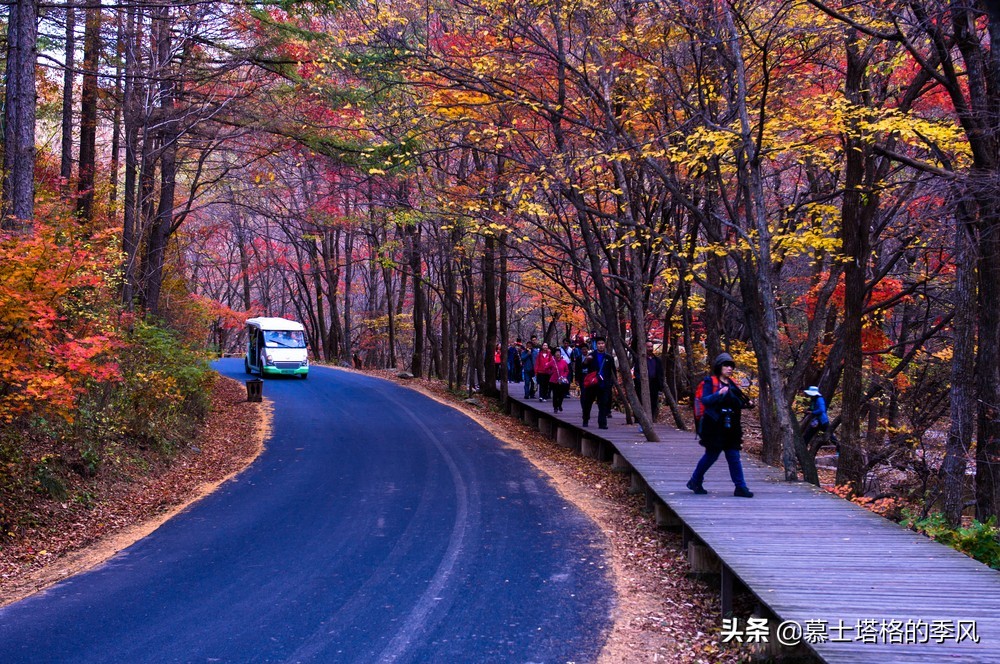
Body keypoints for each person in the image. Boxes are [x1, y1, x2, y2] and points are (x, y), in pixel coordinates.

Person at [686, 353, 755, 498]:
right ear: (719, 367)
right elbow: (705, 400)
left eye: (731, 366)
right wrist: (719, 393)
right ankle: (695, 480)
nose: (729, 368)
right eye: (726, 365)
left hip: (731, 426)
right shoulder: (709, 382)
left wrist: (747, 404)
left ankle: (740, 487)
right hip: (714, 425)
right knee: (711, 455)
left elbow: (736, 403)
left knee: (733, 455)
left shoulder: (733, 385)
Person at [581, 336, 616, 429]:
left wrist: (611, 383)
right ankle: (585, 419)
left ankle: (602, 423)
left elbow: (613, 371)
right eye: (599, 344)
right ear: (596, 345)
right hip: (592, 384)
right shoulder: (591, 356)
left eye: (602, 343)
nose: (601, 345)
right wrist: (586, 360)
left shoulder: (609, 357)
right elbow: (583, 366)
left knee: (603, 404)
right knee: (588, 403)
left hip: (604, 384)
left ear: (605, 345)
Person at [634, 340, 664, 421]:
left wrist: (660, 386)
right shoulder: (640, 360)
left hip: (654, 384)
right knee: (641, 402)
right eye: (648, 347)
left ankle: (650, 419)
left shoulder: (657, 360)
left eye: (651, 347)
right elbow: (636, 372)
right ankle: (639, 420)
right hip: (643, 384)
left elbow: (661, 374)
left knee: (653, 403)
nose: (650, 348)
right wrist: (639, 380)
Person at [803, 386, 838, 451]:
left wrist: (812, 412)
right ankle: (802, 450)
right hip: (816, 421)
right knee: (807, 435)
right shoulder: (814, 400)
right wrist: (808, 410)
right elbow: (813, 408)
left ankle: (840, 449)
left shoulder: (819, 399)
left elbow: (822, 410)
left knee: (830, 436)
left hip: (822, 421)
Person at [550, 347, 571, 413]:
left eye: (559, 352)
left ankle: (559, 405)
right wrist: (551, 372)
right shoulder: (552, 362)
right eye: (556, 353)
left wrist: (564, 376)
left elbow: (567, 370)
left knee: (561, 395)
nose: (558, 354)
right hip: (554, 380)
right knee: (555, 394)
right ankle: (555, 407)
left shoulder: (564, 362)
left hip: (562, 380)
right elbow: (546, 368)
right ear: (554, 354)